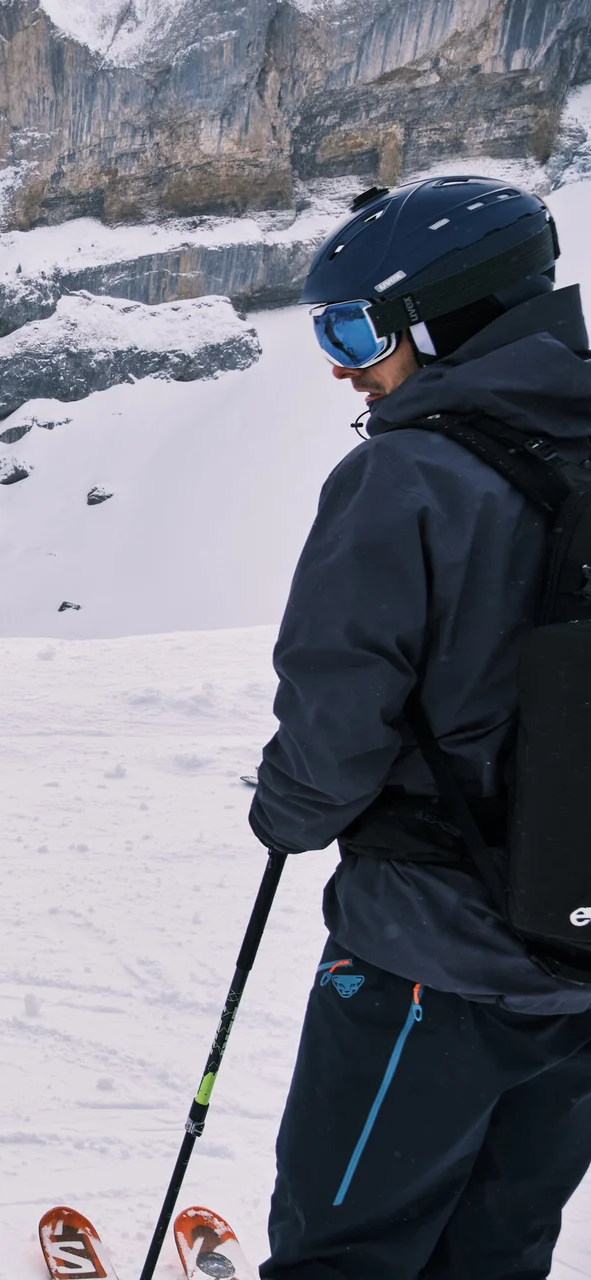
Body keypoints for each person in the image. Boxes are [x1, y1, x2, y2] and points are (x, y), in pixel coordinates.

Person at [252, 176, 591, 1277]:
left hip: (426, 962)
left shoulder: (404, 477)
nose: (342, 362)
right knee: (498, 1253)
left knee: (345, 1251)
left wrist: (287, 809)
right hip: (579, 964)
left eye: (355, 327)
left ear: (446, 319)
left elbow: (334, 725)